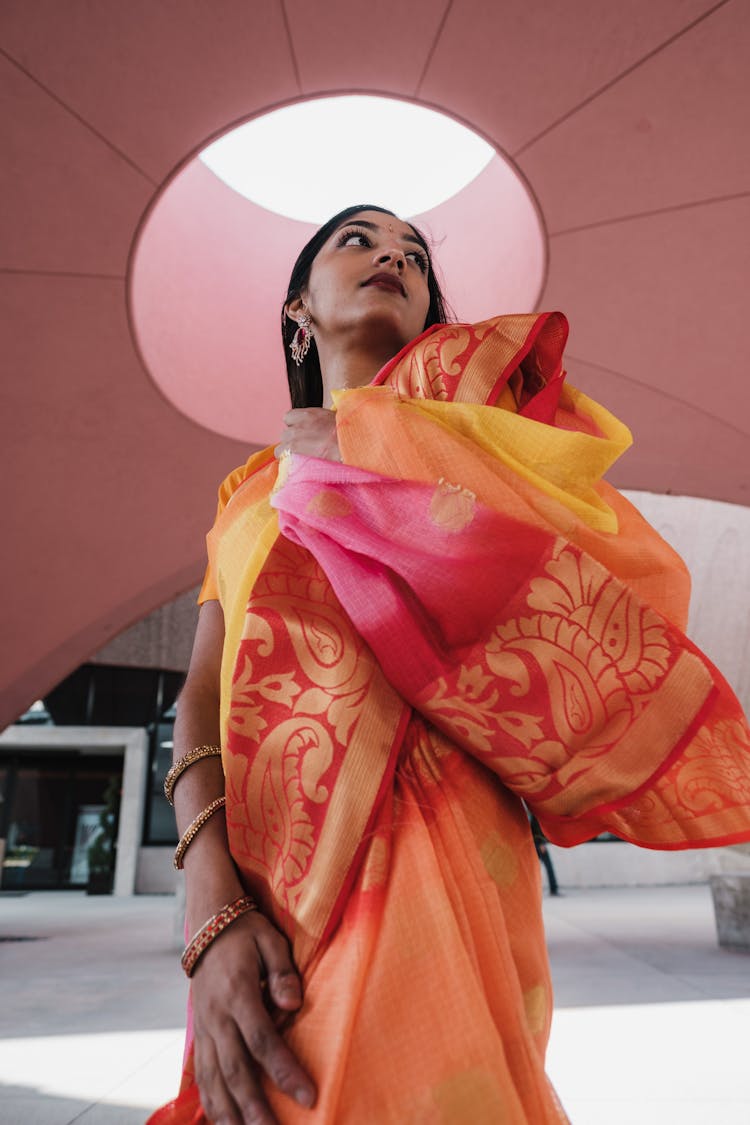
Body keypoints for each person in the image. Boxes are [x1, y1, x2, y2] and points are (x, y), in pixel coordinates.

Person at [149, 205, 750, 1125]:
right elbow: (200, 698)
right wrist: (210, 903)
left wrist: (377, 458)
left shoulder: (478, 456)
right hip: (274, 890)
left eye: (416, 254)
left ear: (430, 314)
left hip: (451, 857)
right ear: (297, 312)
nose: (394, 253)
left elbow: (593, 590)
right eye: (360, 240)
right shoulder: (248, 496)